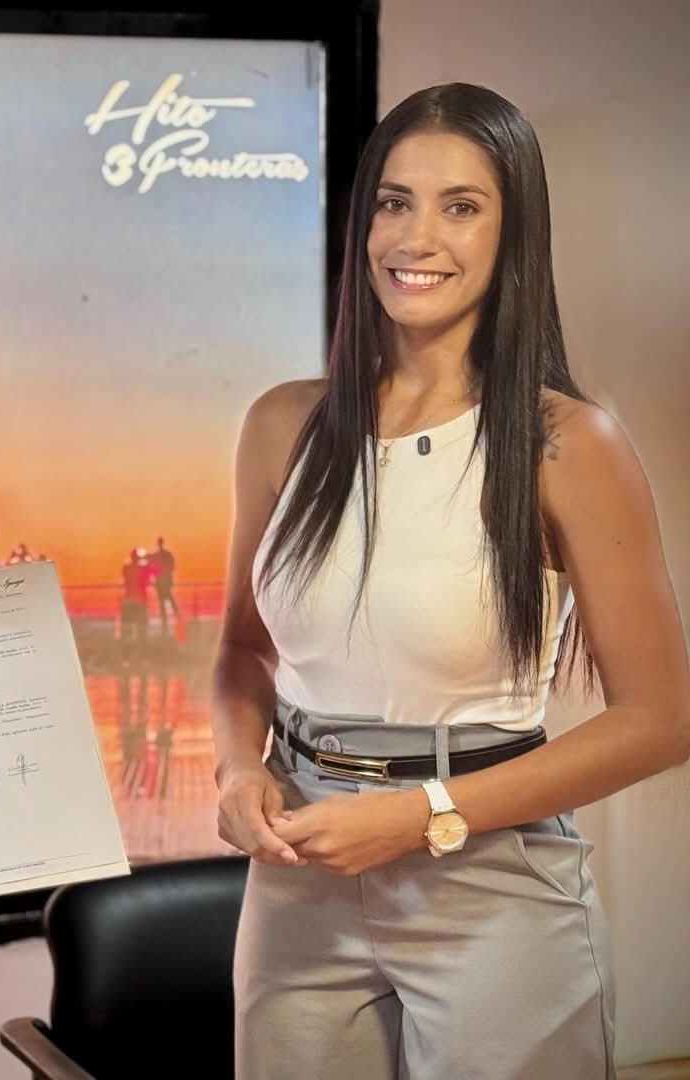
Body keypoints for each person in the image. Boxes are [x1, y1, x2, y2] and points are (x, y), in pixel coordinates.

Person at [210, 83, 689, 1080]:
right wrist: (235, 770)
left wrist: (424, 813)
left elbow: (662, 719)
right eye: (394, 202)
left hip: (489, 879)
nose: (416, 237)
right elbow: (243, 649)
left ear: (513, 233)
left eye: (460, 206)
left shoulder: (569, 444)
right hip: (298, 874)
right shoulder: (281, 425)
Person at [149, 535, 178, 633]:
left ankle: (168, 623)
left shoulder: (162, 555)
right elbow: (171, 566)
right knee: (168, 601)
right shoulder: (166, 555)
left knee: (166, 602)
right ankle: (171, 621)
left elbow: (170, 566)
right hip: (163, 582)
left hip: (162, 582)